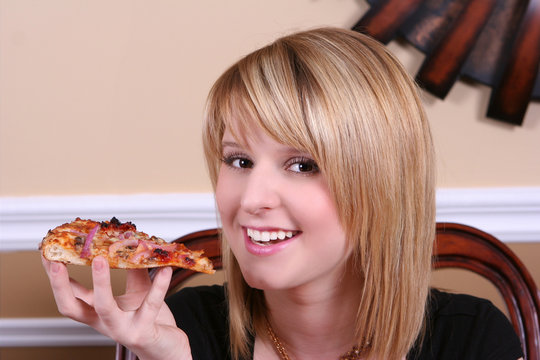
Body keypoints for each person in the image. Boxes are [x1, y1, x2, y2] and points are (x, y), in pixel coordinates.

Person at [42, 27, 524, 360]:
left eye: (302, 165)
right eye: (239, 161)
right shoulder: (181, 328)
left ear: (382, 184)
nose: (252, 199)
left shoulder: (472, 338)